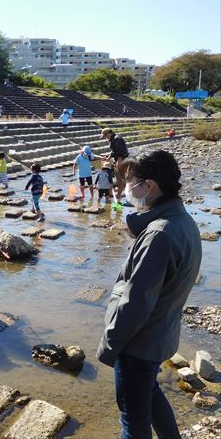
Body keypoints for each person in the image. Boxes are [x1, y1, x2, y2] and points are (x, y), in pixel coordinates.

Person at [96, 150, 201, 439]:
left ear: (150, 186)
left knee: (133, 420)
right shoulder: (182, 222)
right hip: (158, 335)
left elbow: (136, 301)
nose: (128, 188)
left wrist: (110, 344)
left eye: (131, 181)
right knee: (150, 396)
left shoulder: (160, 234)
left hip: (138, 344)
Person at [100, 128, 130, 204]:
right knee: (118, 177)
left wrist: (118, 163)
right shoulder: (113, 139)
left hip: (122, 160)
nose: (105, 137)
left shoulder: (117, 139)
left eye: (105, 136)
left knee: (120, 178)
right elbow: (114, 151)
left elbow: (120, 152)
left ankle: (119, 195)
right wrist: (108, 158)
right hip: (119, 159)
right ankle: (118, 193)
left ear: (109, 133)